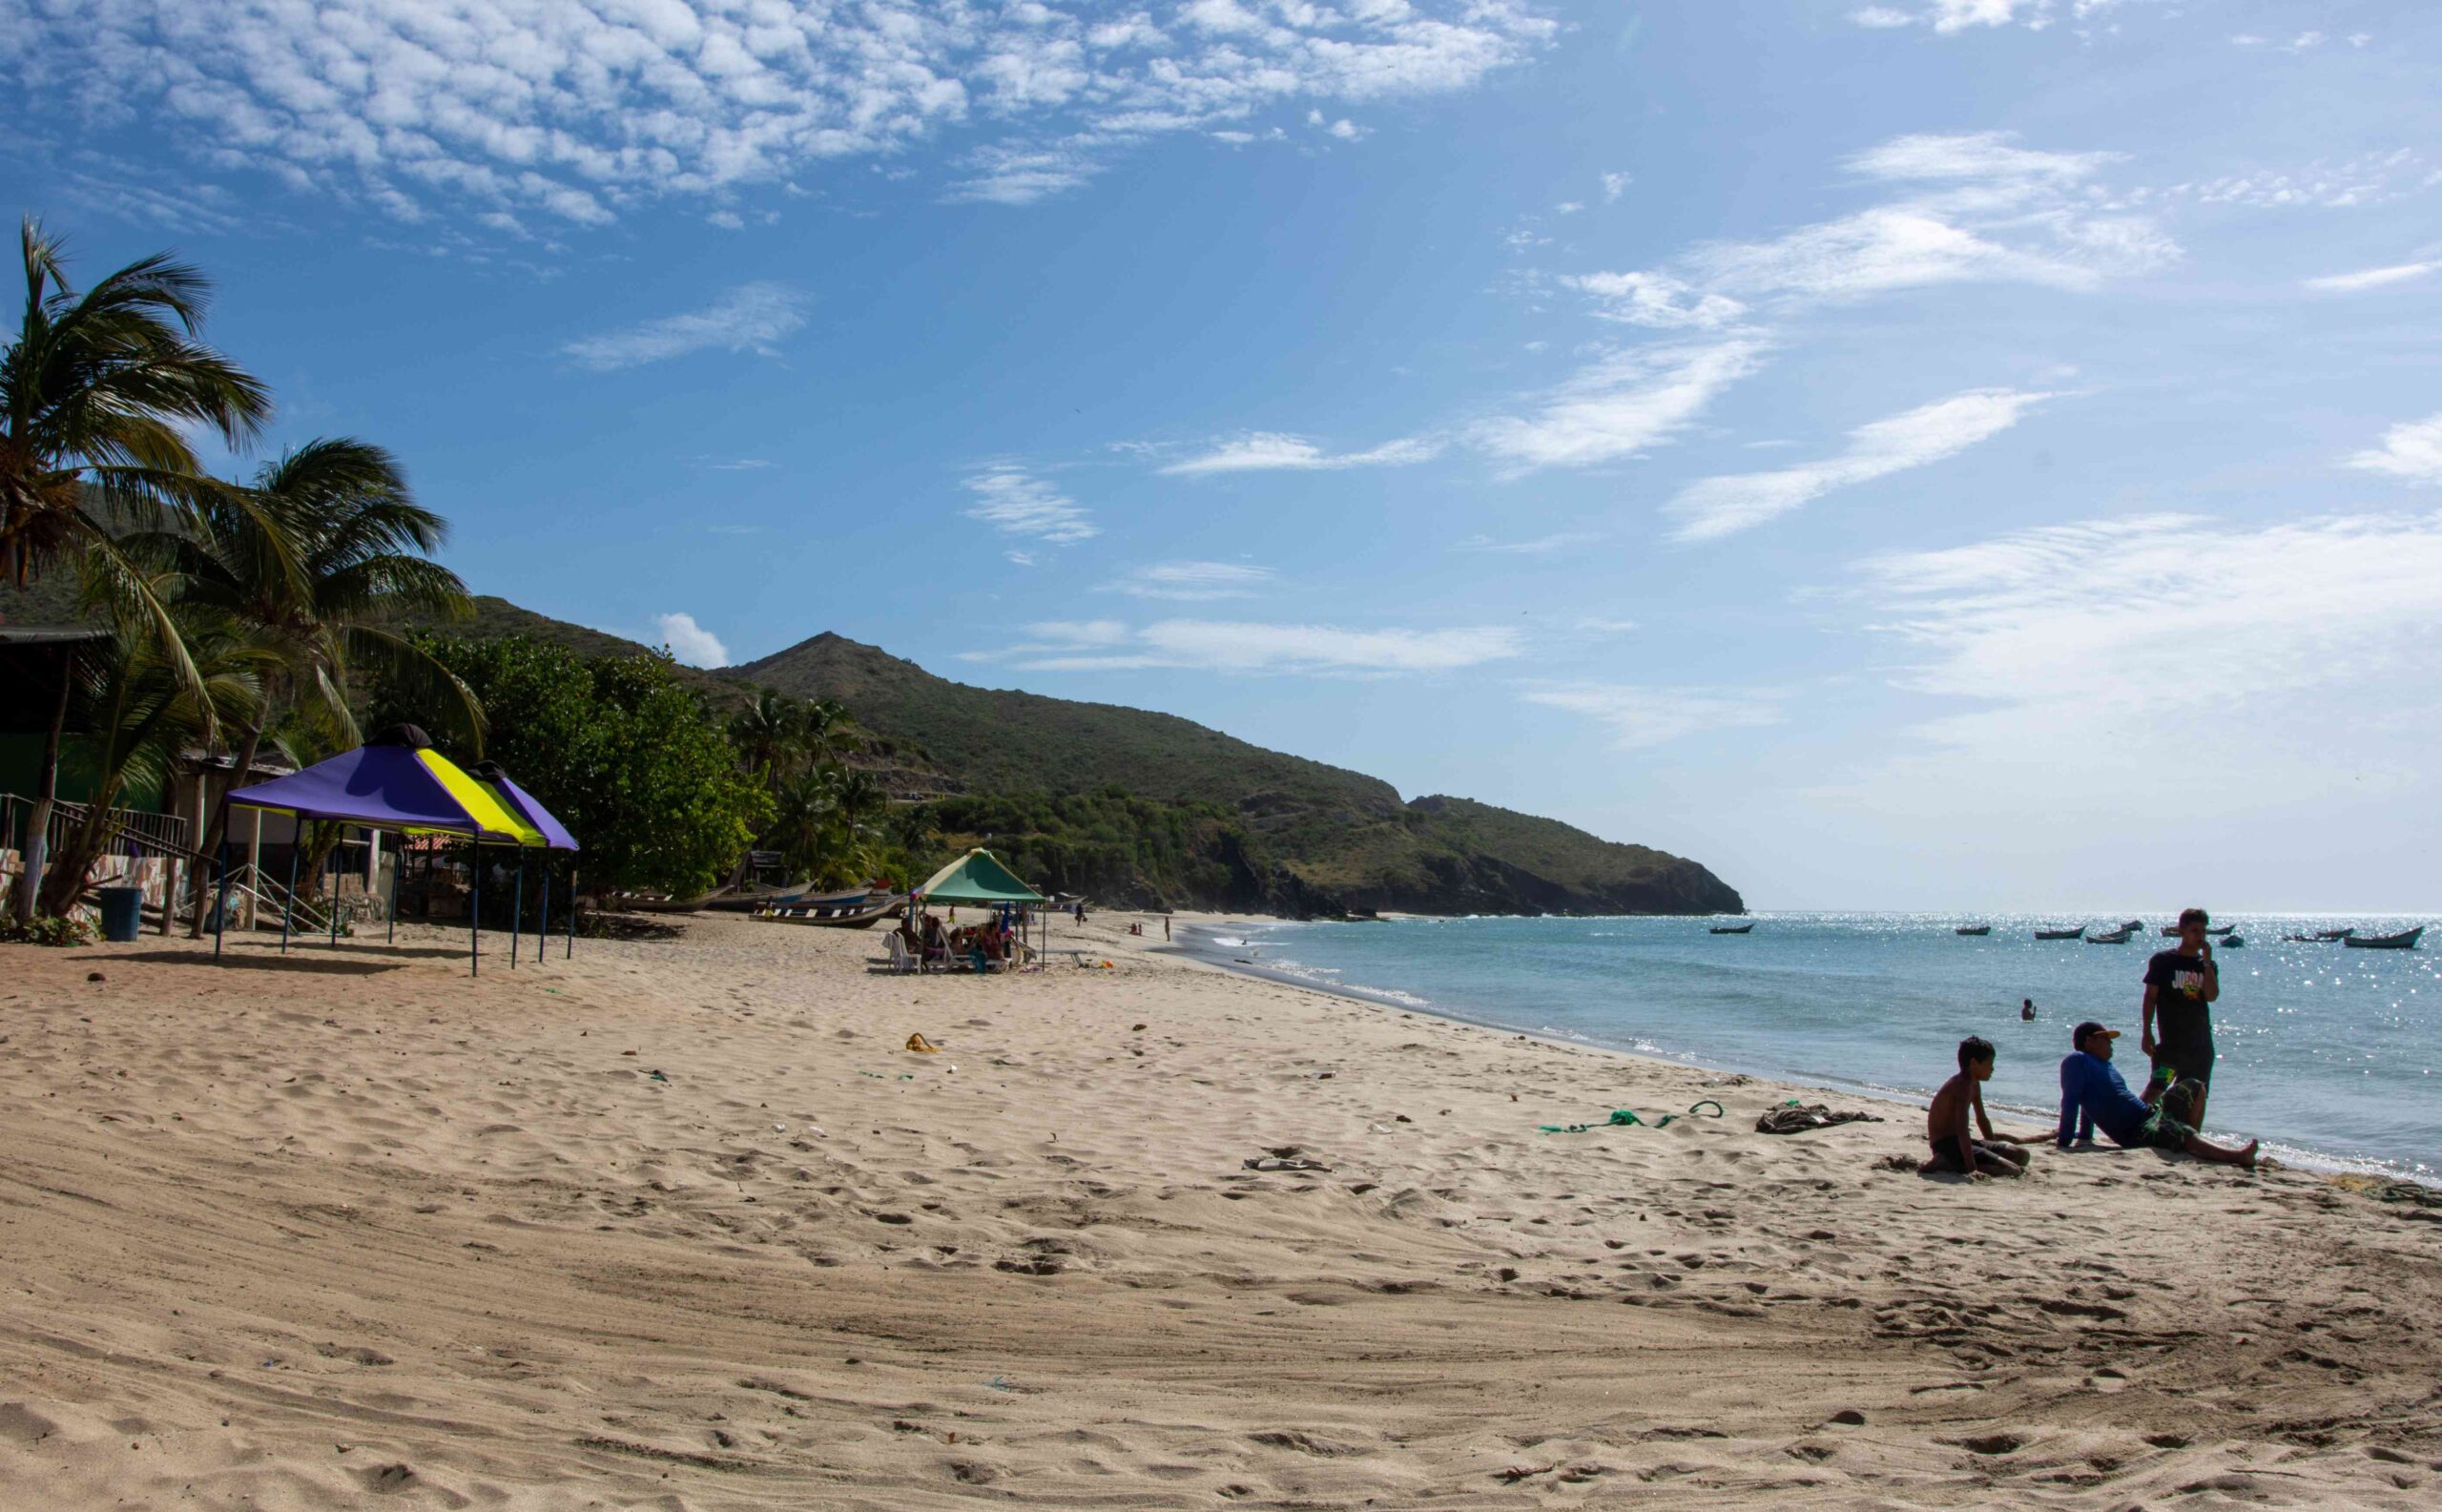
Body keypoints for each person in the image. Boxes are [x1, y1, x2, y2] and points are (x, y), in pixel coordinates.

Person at [2057, 1021, 2256, 1167]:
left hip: (2150, 1115)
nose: (2111, 1043)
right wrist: (2064, 1141)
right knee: (2177, 1130)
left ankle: (2191, 1142)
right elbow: (2072, 1100)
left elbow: (2090, 1102)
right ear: (2089, 1041)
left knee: (2194, 1086)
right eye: (2105, 1039)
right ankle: (2235, 1156)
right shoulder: (2077, 1060)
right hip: (2137, 1131)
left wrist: (2085, 1136)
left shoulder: (2104, 1065)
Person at [2143, 907, 2221, 1129]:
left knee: (2198, 1092)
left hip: (2200, 1045)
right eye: (2194, 930)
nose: (2200, 936)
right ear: (2182, 931)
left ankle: (2191, 1136)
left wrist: (2206, 963)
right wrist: (2146, 1031)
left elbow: (2211, 996)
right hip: (2170, 1045)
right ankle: (2135, 1125)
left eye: (2204, 931)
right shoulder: (2163, 961)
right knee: (2158, 1086)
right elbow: (2150, 998)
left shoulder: (2207, 966)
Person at [1927, 1036, 2033, 1178]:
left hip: (1964, 1142)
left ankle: (1958, 1164)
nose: (1992, 1069)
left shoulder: (1974, 1083)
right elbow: (1962, 1129)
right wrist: (1972, 1169)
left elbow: (1982, 1119)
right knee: (2012, 1170)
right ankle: (1949, 1164)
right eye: (1990, 1064)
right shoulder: (1961, 1085)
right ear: (1974, 1063)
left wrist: (1992, 1148)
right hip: (1947, 1146)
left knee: (2021, 1155)